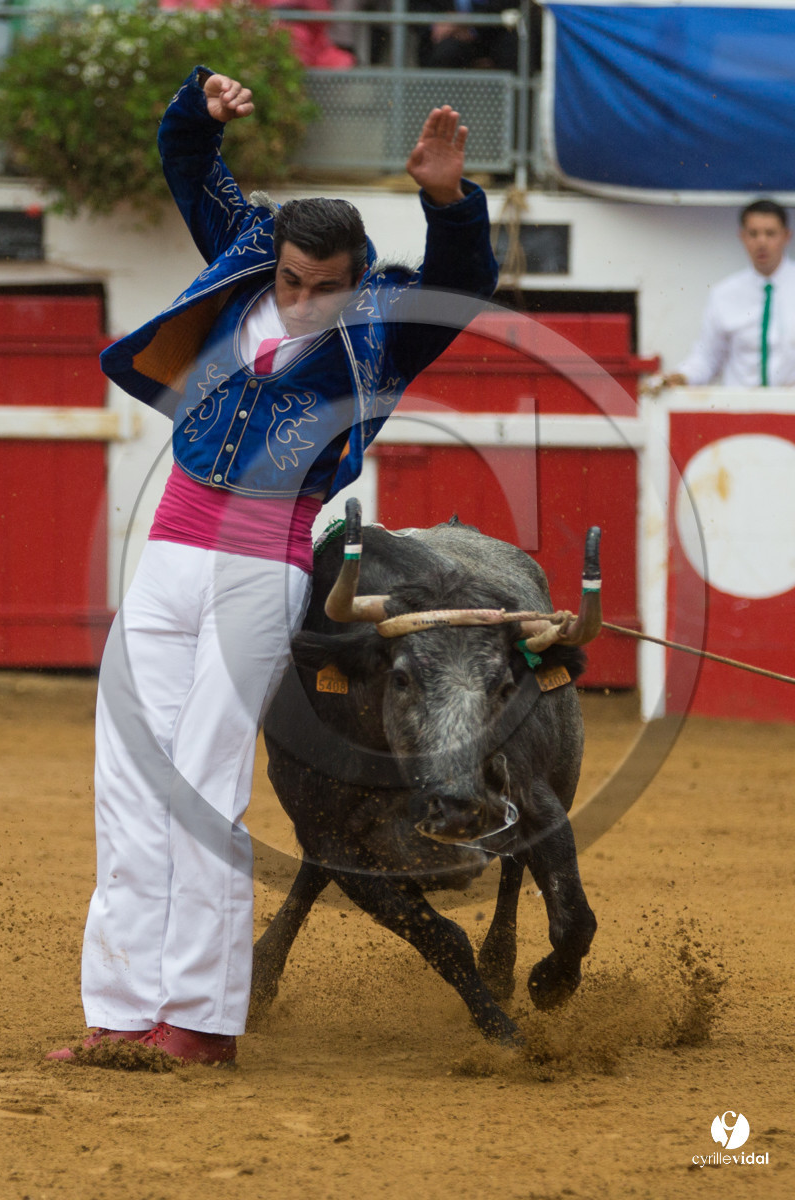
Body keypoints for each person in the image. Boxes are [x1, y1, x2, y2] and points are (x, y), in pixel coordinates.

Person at [47, 67, 497, 1065]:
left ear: (354, 274)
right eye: (290, 281)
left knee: (204, 789)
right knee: (127, 785)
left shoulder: (382, 326)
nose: (298, 300)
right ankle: (118, 1012)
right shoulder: (249, 258)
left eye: (319, 287)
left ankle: (198, 1024)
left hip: (261, 568)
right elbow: (189, 166)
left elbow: (464, 282)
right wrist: (194, 109)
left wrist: (446, 199)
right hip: (167, 556)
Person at [664, 199, 795, 388]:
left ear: (786, 236)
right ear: (742, 236)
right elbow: (707, 356)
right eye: (753, 234)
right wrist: (682, 377)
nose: (762, 242)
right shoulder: (724, 294)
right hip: (740, 410)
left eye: (770, 233)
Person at [411, 0, 518, 73]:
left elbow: (509, 5)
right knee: (446, 52)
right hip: (446, 35)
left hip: (492, 33)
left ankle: (517, 104)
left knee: (517, 49)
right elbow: (416, 6)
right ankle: (442, 104)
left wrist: (469, 24)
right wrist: (438, 23)